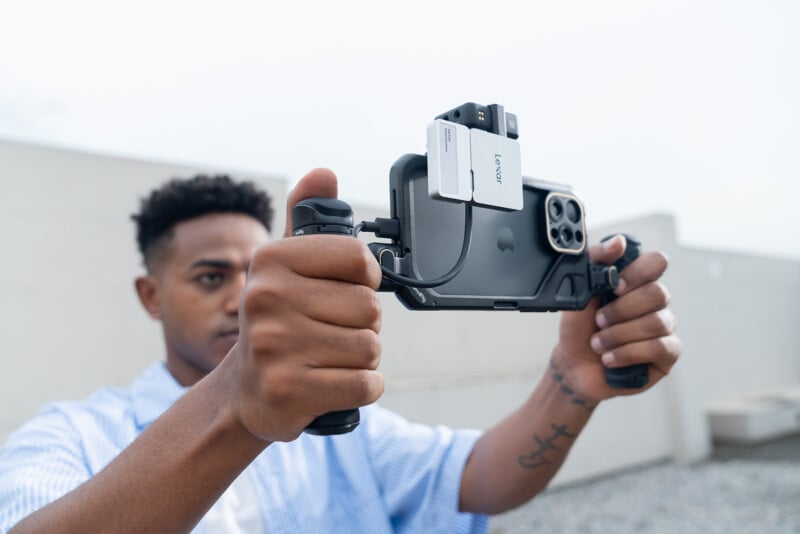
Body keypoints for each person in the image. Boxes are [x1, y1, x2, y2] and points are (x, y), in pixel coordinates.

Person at [0, 170, 680, 533]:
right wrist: (231, 408)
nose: (241, 298)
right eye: (210, 278)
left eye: (255, 272)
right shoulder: (71, 437)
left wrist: (571, 382)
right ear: (151, 295)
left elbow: (481, 479)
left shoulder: (343, 434)